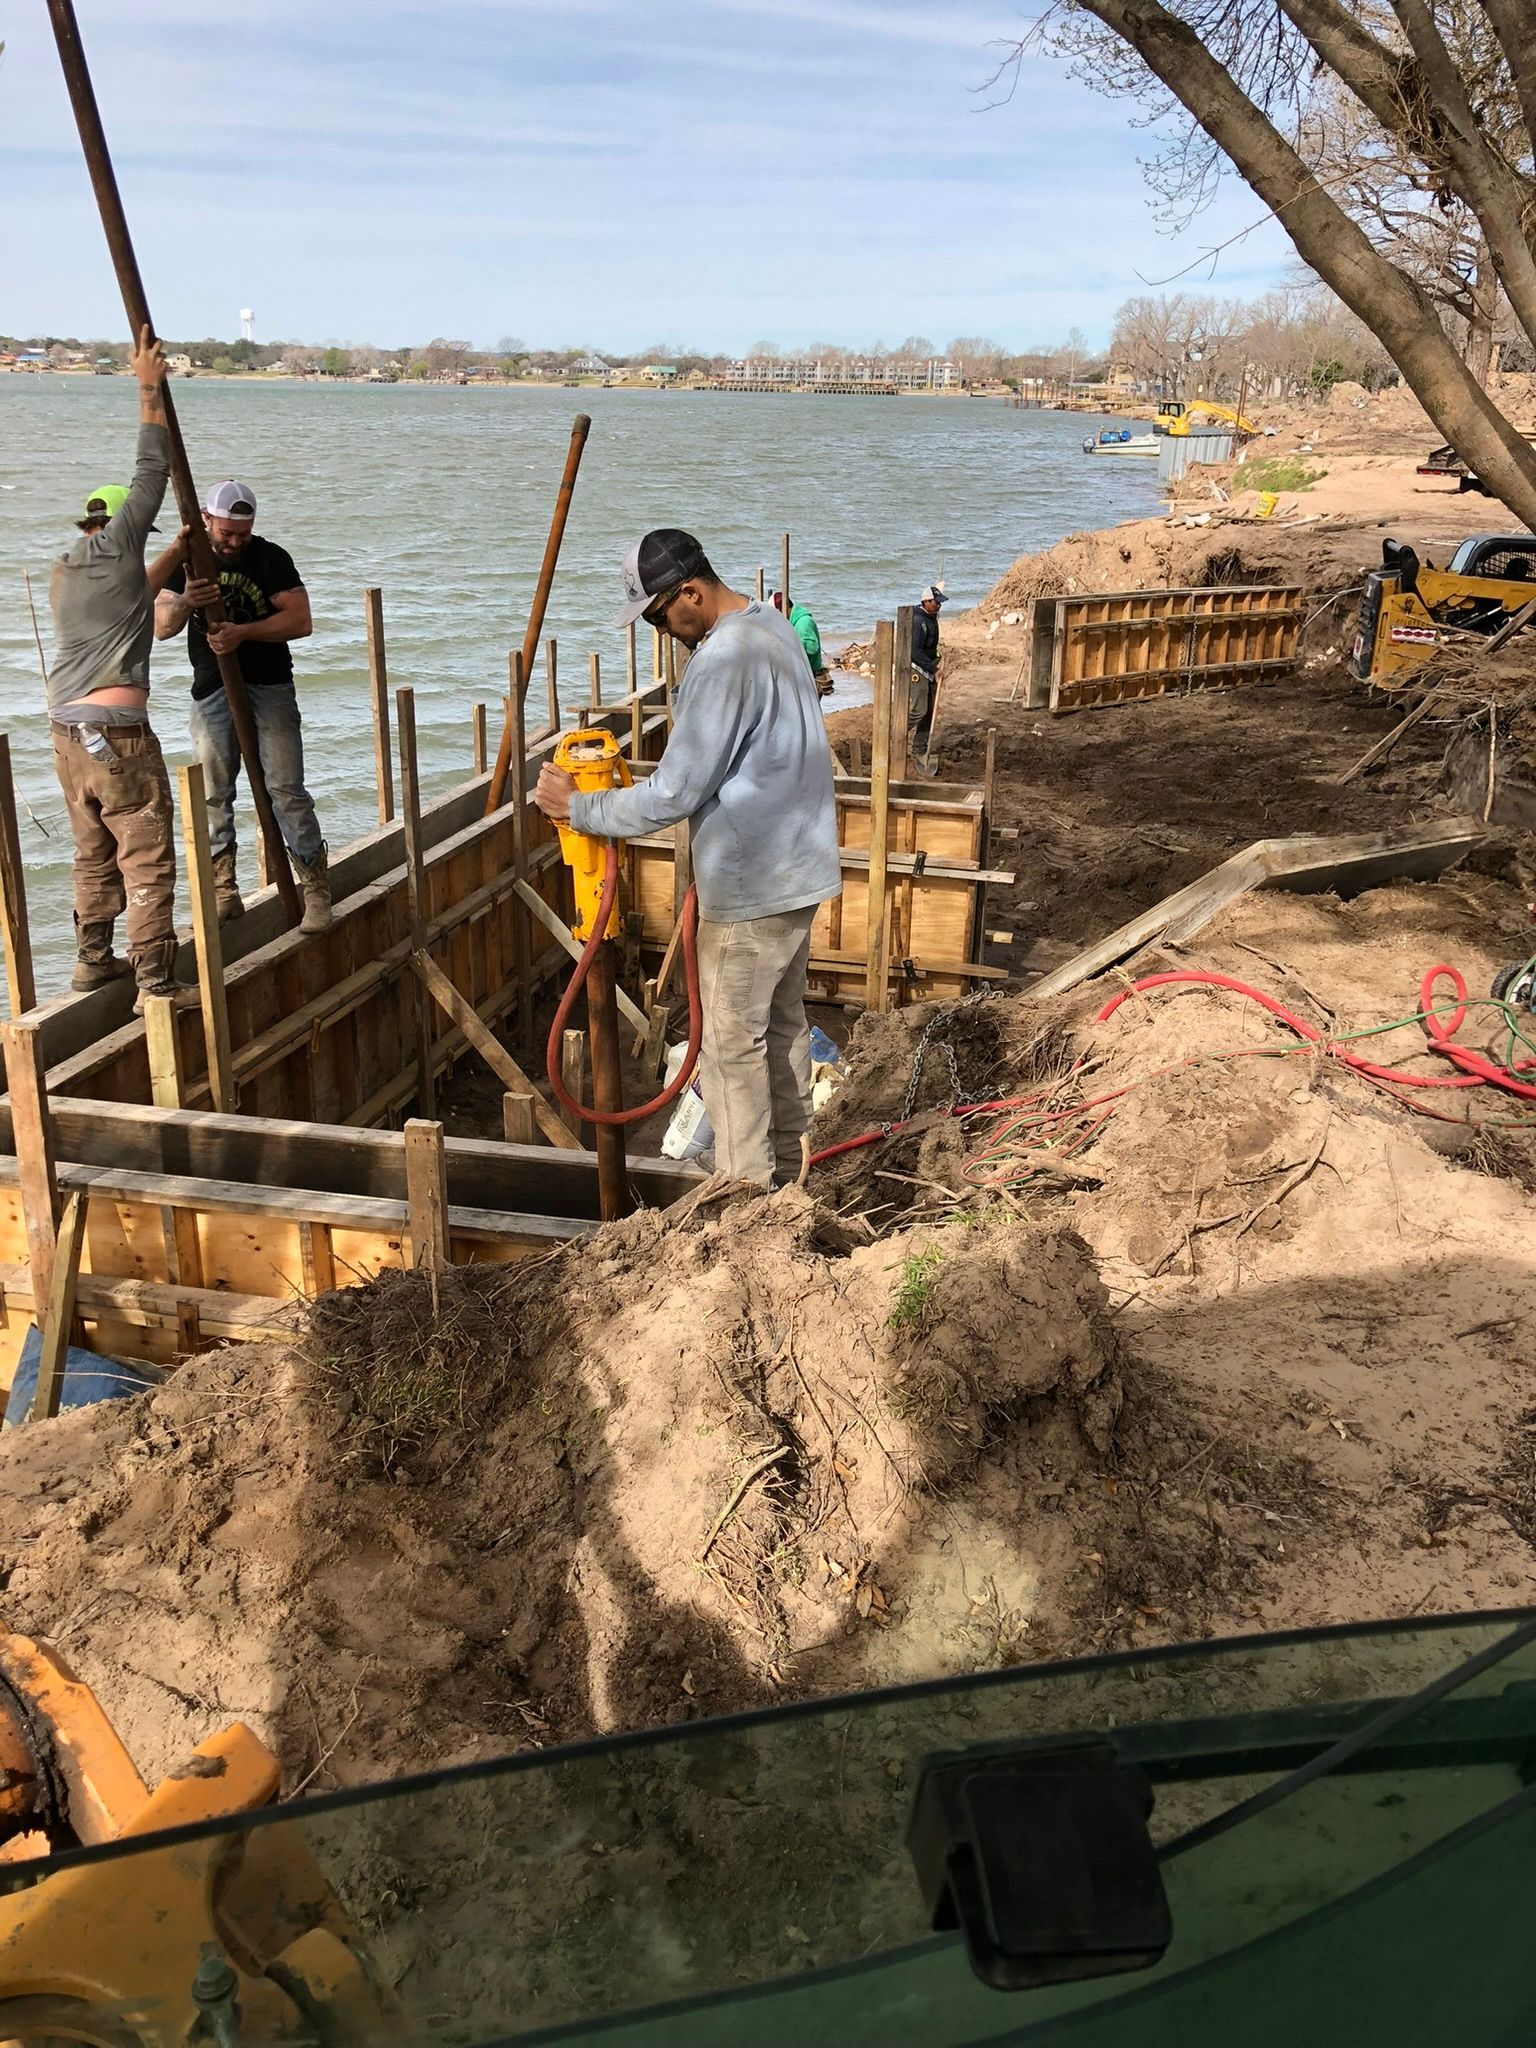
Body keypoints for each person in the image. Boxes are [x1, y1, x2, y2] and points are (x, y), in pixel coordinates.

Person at [535, 529, 841, 1189]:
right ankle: (789, 1178)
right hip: (800, 872)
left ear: (691, 592)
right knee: (781, 1028)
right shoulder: (772, 624)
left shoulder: (722, 658)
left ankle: (745, 1190)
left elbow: (673, 793)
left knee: (730, 1044)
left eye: (659, 617)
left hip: (753, 888)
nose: (662, 632)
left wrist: (579, 808)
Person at [45, 326, 197, 1012]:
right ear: (116, 527)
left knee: (93, 850)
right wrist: (147, 387)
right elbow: (151, 469)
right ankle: (155, 983)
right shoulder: (117, 546)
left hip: (67, 735)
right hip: (118, 735)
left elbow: (136, 593)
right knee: (146, 852)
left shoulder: (69, 569)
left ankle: (91, 961)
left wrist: (178, 557)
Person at [153, 483, 331, 934]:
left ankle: (315, 888)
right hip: (212, 687)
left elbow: (300, 620)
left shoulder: (270, 558)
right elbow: (161, 627)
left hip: (270, 684)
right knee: (215, 790)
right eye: (227, 533)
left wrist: (243, 633)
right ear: (207, 521)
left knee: (286, 788)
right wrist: (187, 602)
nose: (235, 542)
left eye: (243, 534)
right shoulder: (187, 562)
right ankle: (224, 890)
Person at [909, 582, 946, 771]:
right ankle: (895, 735)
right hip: (917, 669)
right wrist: (933, 668)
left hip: (929, 668)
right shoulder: (918, 621)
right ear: (925, 602)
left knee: (929, 711)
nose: (938, 605)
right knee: (919, 710)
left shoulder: (932, 617)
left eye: (939, 602)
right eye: (935, 602)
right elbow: (915, 651)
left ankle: (919, 749)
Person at [770, 588, 832, 697]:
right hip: (803, 675)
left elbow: (811, 648)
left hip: (811, 677)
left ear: (782, 609)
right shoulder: (793, 622)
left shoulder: (803, 623)